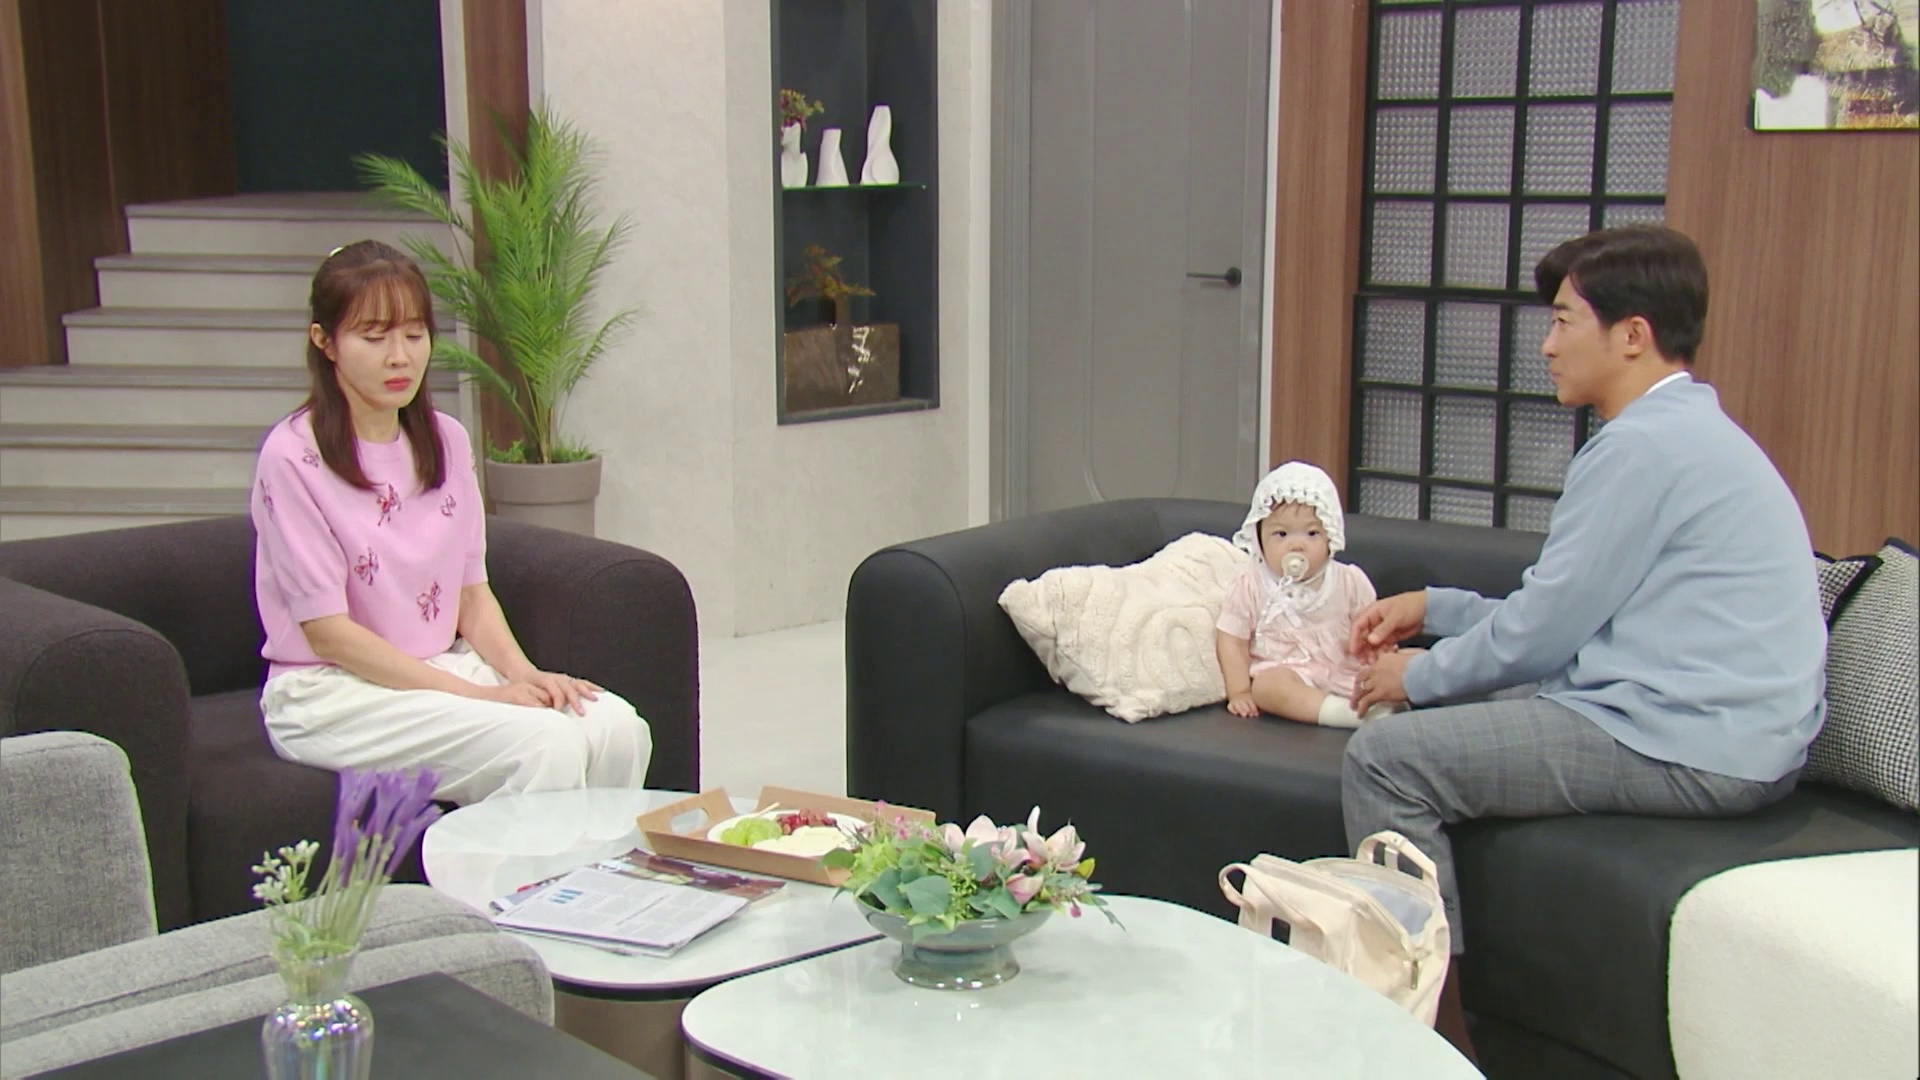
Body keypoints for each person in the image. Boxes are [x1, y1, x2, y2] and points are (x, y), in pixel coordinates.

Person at [1341, 225, 1822, 961]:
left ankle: (1419, 1010)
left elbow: (1541, 636)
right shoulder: (1689, 431)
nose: (1548, 345)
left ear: (1632, 335)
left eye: (1565, 321)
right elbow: (1570, 615)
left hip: (1692, 744)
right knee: (1473, 698)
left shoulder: (1641, 448)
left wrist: (1421, 674)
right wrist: (1436, 609)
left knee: (1384, 758)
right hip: (1730, 733)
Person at [251, 240, 652, 803]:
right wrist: (481, 699)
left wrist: (524, 675)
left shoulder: (448, 440)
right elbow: (329, 634)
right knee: (546, 745)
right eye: (374, 337)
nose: (399, 357)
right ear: (325, 342)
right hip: (330, 692)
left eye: (414, 335)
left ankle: (600, 863)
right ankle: (517, 866)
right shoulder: (292, 455)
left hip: (441, 666)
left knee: (615, 727)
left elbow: (471, 595)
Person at [1216, 462, 1404, 728]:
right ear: (1259, 539)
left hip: (1344, 671)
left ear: (1331, 537)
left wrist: (1377, 649)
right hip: (1289, 675)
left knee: (1409, 660)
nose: (1297, 545)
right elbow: (1232, 641)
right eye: (1281, 534)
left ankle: (1385, 705)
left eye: (1312, 533)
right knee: (1267, 687)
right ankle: (1346, 715)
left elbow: (1370, 628)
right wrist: (1239, 691)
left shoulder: (1349, 580)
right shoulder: (1251, 584)